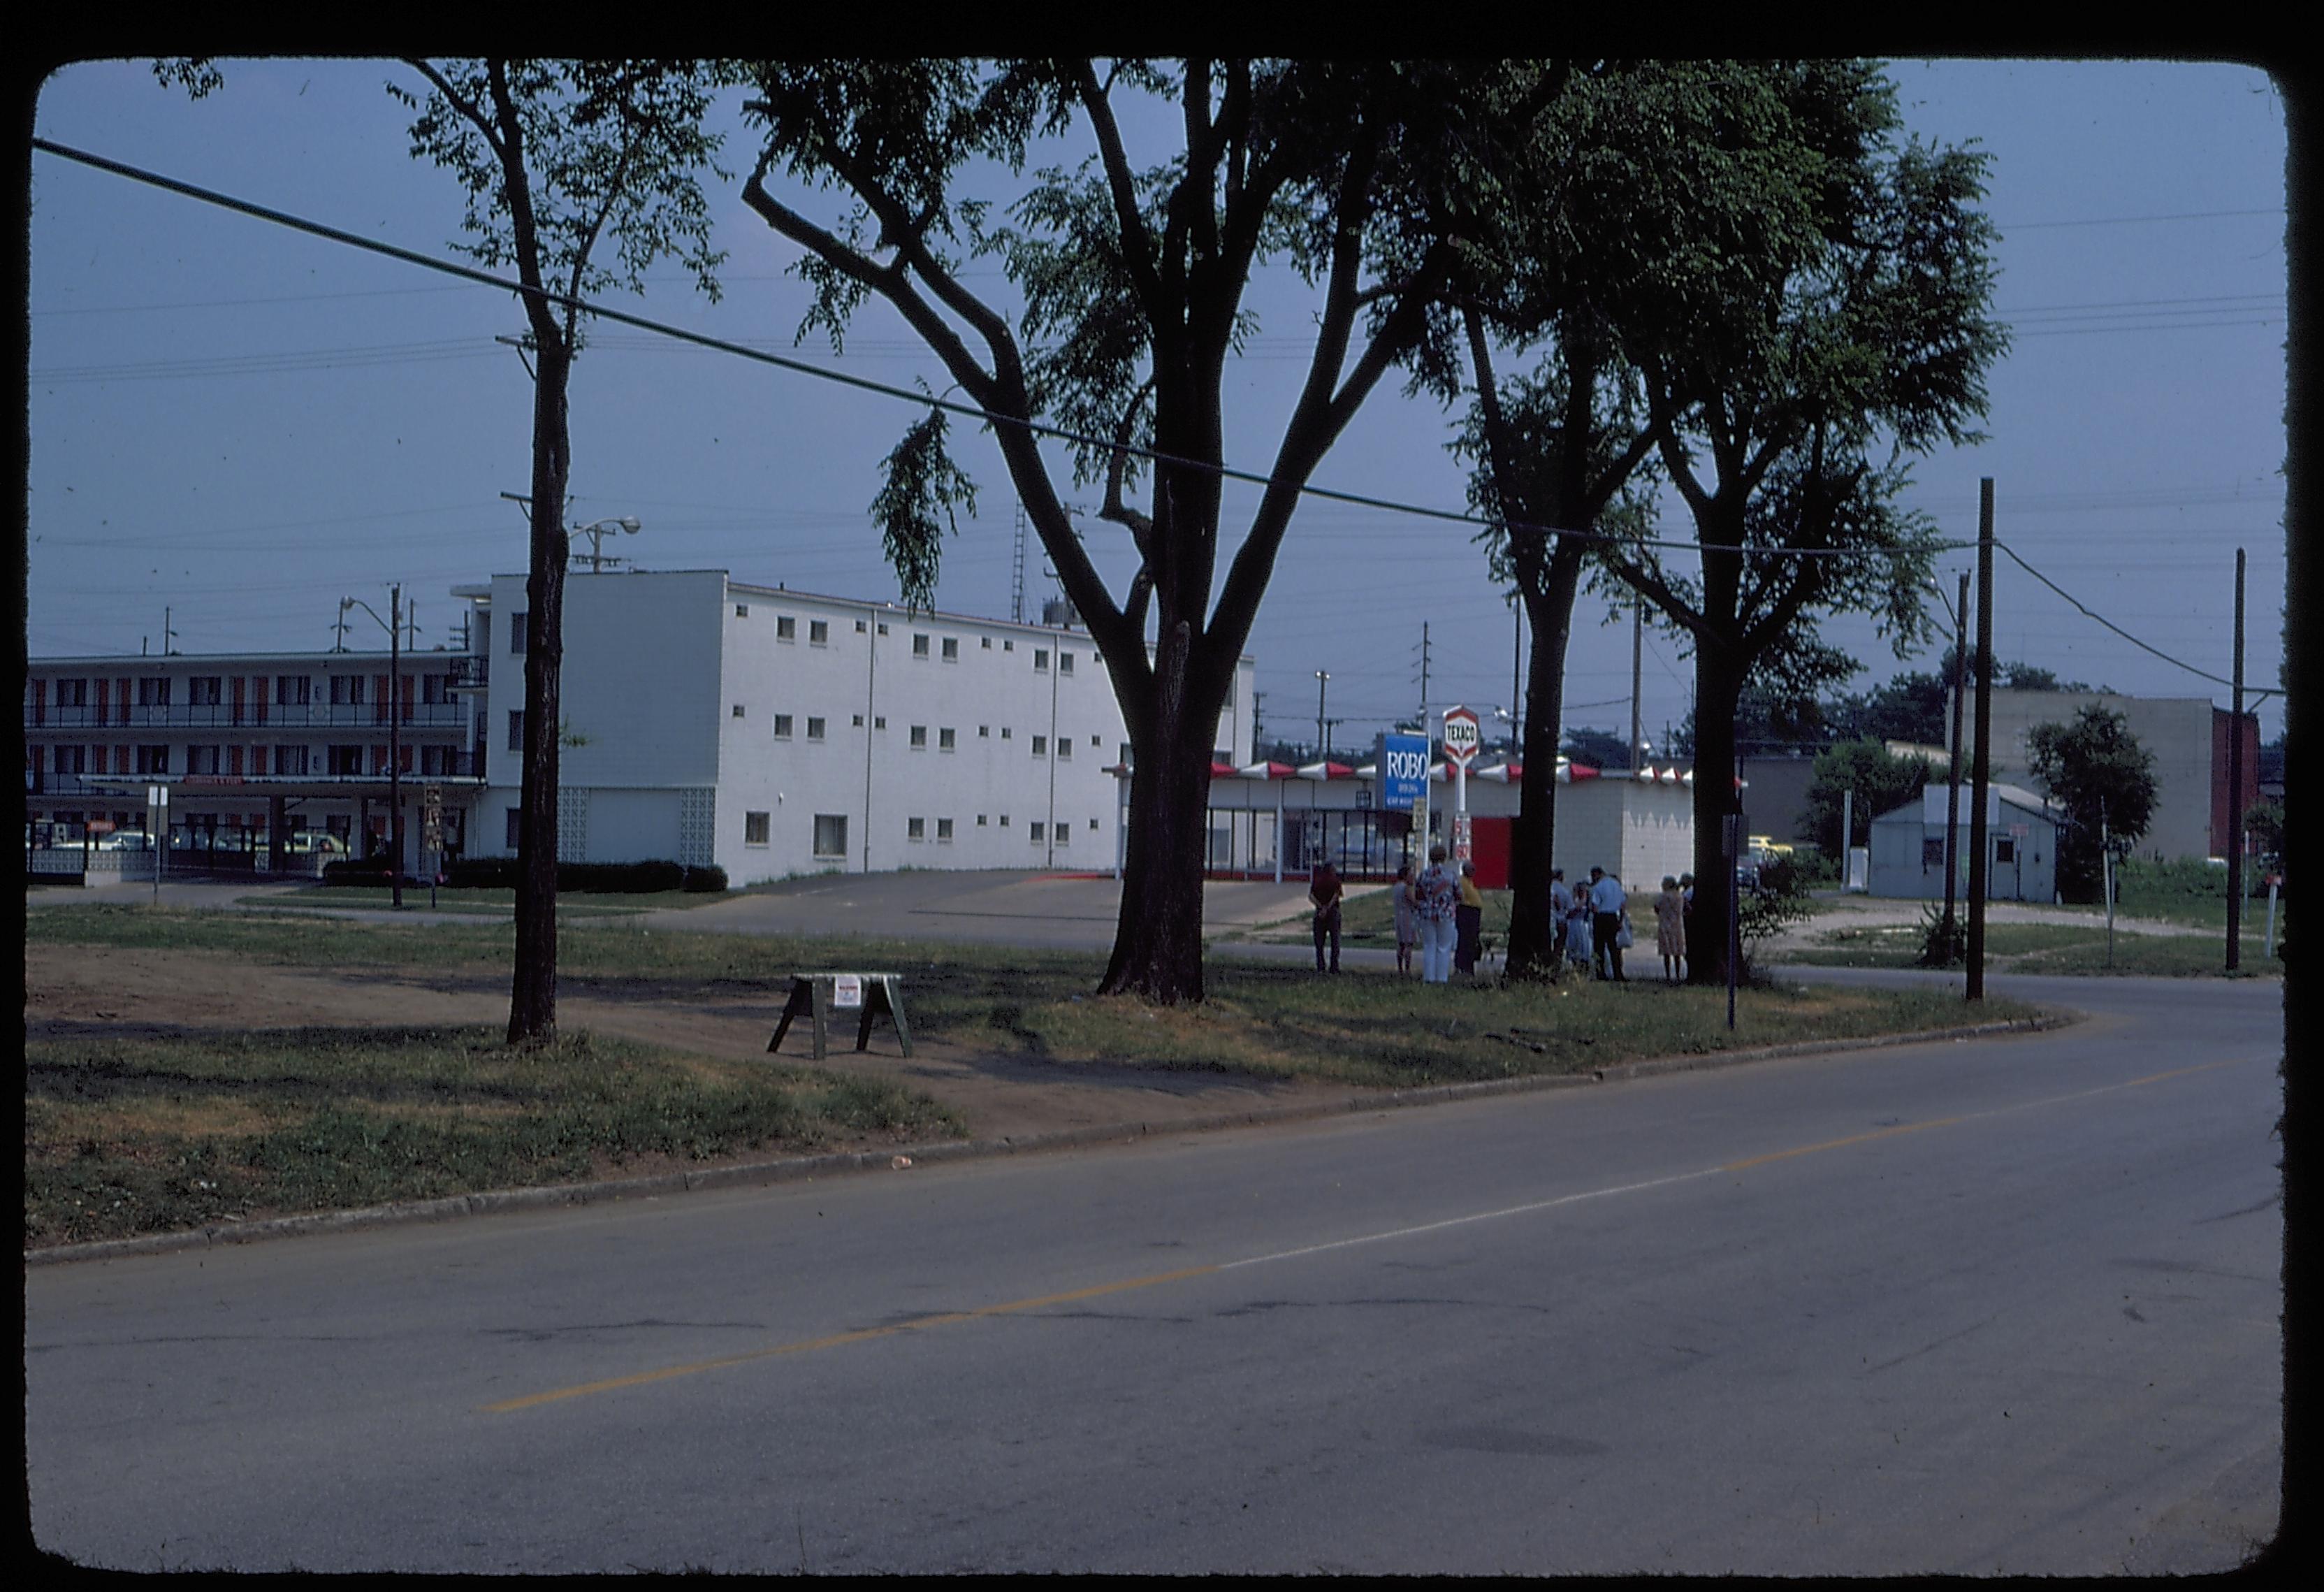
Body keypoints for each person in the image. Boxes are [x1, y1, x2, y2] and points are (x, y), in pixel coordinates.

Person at [1415, 844, 1460, 984]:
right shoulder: (1450, 875)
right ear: (1445, 857)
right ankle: (1441, 978)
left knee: (1429, 946)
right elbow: (1459, 895)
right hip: (1446, 914)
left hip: (1427, 914)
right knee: (1444, 947)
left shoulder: (1424, 875)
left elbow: (1418, 895)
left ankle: (1428, 977)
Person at [1590, 865, 1628, 982]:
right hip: (1613, 917)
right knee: (1613, 947)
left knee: (1599, 948)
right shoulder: (1616, 885)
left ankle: (1601, 973)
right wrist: (1620, 920)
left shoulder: (1598, 887)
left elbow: (1595, 907)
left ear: (1596, 875)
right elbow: (1623, 905)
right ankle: (1618, 973)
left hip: (1601, 917)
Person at [1308, 858, 1344, 974]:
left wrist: (1320, 907)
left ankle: (1321, 966)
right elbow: (1336, 896)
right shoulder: (1335, 881)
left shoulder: (1317, 881)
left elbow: (1311, 896)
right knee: (1335, 941)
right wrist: (1327, 907)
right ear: (1332, 870)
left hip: (1319, 913)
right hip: (1333, 913)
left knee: (1319, 942)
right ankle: (1334, 966)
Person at [1454, 860, 1484, 977]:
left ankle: (1468, 967)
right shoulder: (1462, 882)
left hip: (1473, 914)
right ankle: (1463, 967)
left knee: (1472, 942)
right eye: (1472, 869)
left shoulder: (1469, 882)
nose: (1474, 872)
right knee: (1466, 942)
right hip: (1466, 913)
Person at [1655, 874, 1687, 983]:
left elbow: (1657, 908)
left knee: (1666, 951)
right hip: (1677, 924)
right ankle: (1678, 974)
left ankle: (1668, 975)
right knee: (1677, 951)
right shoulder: (1679, 896)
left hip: (1665, 924)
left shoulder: (1663, 896)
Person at [1392, 860, 1418, 977]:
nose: (1412, 878)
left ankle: (1400, 968)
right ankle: (1407, 968)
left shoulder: (1396, 887)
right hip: (1407, 916)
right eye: (1411, 875)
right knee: (1408, 944)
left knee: (1400, 943)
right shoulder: (1405, 888)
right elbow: (1413, 902)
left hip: (1398, 915)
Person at [1564, 880, 1596, 973]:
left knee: (1585, 946)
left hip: (1583, 924)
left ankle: (1585, 965)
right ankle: (1575, 963)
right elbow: (1570, 912)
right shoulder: (1574, 900)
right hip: (1574, 925)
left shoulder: (1587, 901)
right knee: (1574, 945)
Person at [1548, 868, 1572, 964]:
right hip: (1561, 921)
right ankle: (1556, 966)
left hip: (1548, 920)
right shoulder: (1564, 891)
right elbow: (1571, 908)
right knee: (1559, 947)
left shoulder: (1547, 889)